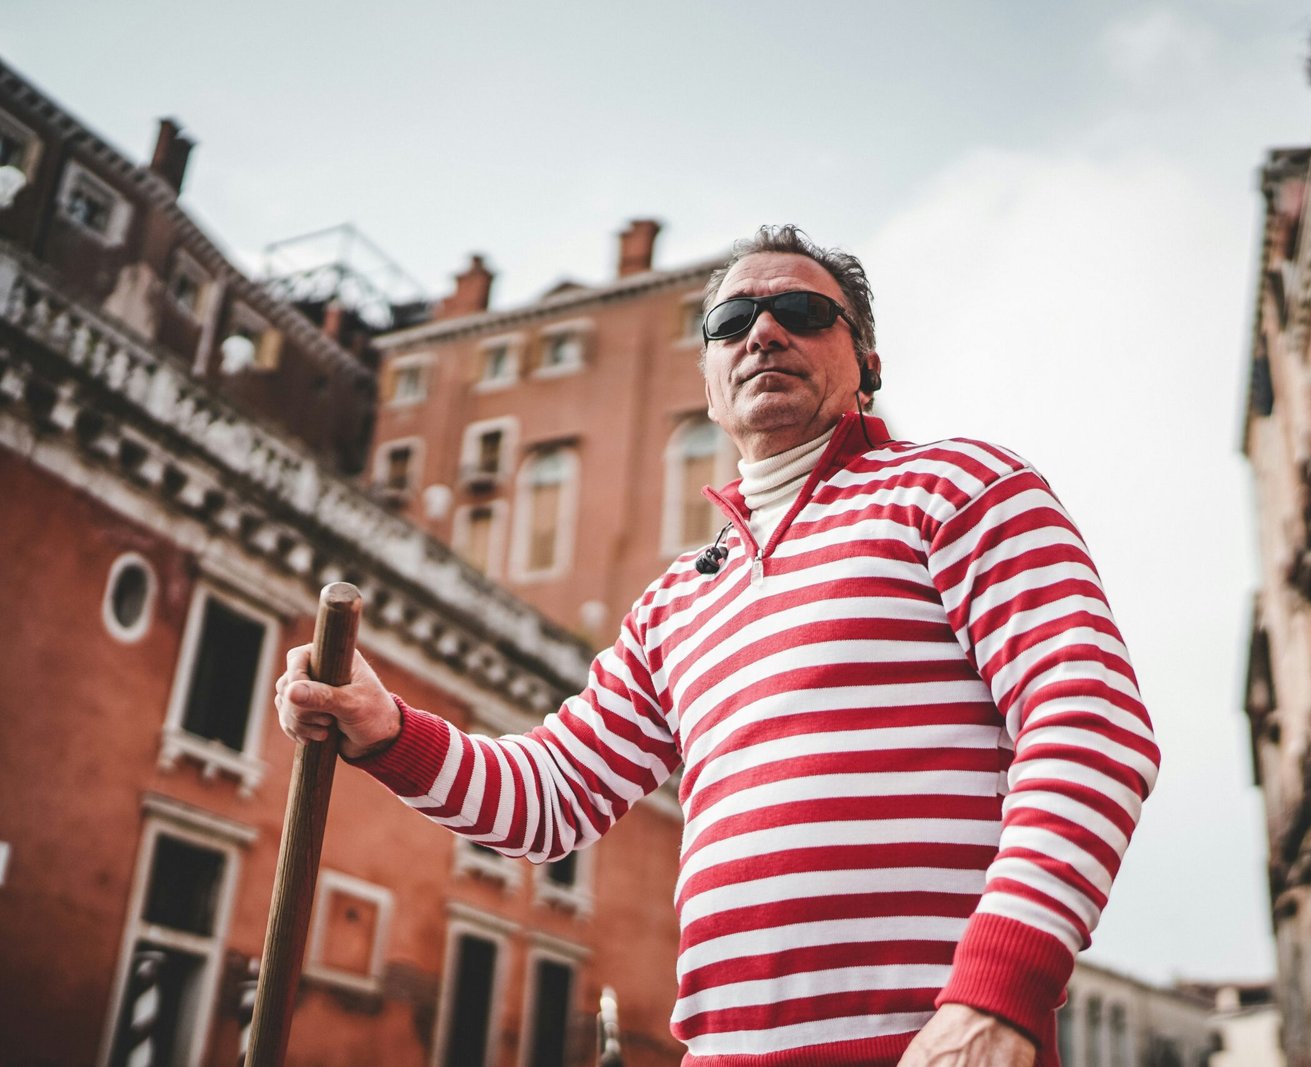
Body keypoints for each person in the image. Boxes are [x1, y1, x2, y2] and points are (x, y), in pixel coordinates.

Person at [277, 225, 1158, 1067]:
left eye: (806, 313)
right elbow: (549, 800)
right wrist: (384, 727)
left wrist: (996, 998)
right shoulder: (674, 602)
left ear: (868, 364)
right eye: (732, 322)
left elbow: (1089, 727)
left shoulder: (959, 488)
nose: (765, 331)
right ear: (707, 378)